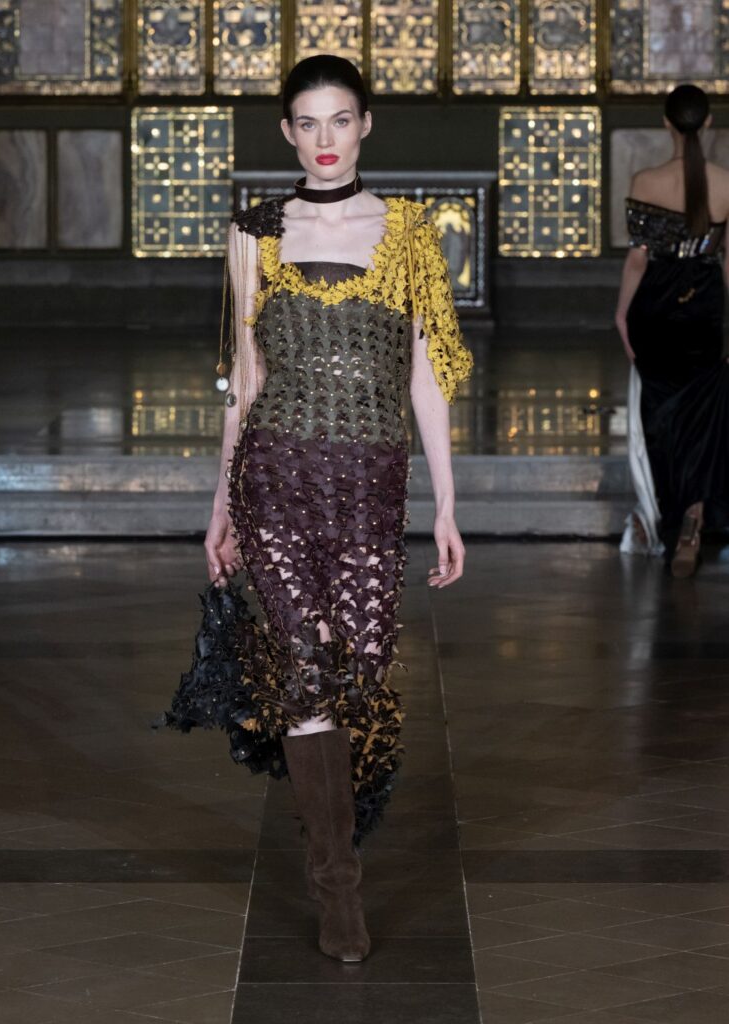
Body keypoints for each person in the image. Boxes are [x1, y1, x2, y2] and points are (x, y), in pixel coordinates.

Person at [164, 55, 471, 962]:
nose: (325, 139)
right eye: (308, 122)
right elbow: (244, 379)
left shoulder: (410, 231)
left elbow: (426, 374)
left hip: (370, 483)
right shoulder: (254, 231)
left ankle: (333, 819)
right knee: (303, 669)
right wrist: (220, 503)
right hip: (276, 476)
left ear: (365, 124)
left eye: (341, 119)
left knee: (358, 669)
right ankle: (338, 887)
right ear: (287, 133)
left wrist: (447, 505)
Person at [615, 83, 729, 577]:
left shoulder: (645, 180)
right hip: (704, 306)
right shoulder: (726, 183)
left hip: (656, 307)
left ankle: (668, 517)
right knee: (703, 418)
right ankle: (692, 523)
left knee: (660, 419)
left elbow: (638, 259)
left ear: (667, 123)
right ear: (707, 123)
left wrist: (622, 314)